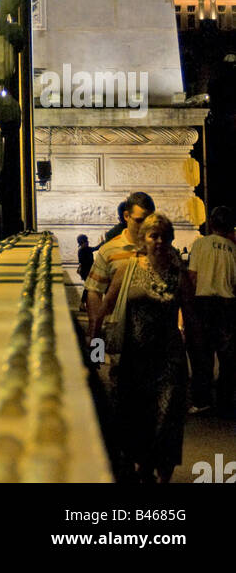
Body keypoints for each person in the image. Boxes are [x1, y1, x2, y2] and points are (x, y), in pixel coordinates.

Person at [92, 212, 191, 484]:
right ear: (143, 239)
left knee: (167, 418)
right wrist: (95, 352)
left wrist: (199, 362)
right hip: (135, 360)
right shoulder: (128, 269)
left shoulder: (179, 275)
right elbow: (103, 311)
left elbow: (192, 317)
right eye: (152, 235)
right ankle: (144, 468)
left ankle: (164, 473)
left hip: (169, 361)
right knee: (139, 418)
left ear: (170, 239)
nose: (158, 241)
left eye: (163, 236)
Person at [85, 192, 179, 333]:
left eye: (149, 220)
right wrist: (96, 331)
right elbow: (94, 291)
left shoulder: (165, 251)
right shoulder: (109, 250)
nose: (145, 226)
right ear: (126, 216)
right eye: (139, 220)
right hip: (123, 338)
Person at [186, 205, 236, 418]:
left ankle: (202, 399)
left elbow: (192, 276)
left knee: (201, 354)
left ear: (212, 223)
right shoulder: (234, 249)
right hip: (227, 305)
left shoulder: (200, 244)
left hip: (203, 303)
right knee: (227, 356)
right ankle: (225, 400)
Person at [77, 234, 94, 311]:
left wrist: (103, 242)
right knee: (87, 288)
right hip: (85, 272)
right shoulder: (81, 251)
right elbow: (83, 262)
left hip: (88, 271)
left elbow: (96, 247)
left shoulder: (87, 249)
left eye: (87, 241)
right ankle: (82, 304)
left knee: (88, 288)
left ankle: (85, 305)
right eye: (86, 241)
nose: (88, 242)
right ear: (82, 243)